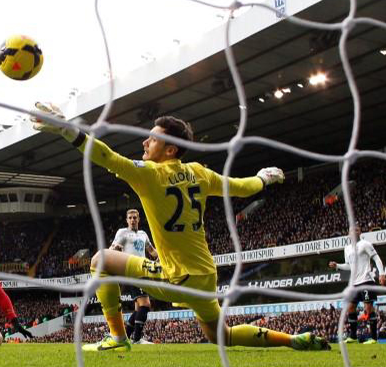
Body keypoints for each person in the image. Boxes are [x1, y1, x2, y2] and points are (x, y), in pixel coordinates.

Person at [32, 103, 330, 352]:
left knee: (101, 260)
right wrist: (264, 178)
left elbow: (107, 157)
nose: (145, 143)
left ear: (171, 149)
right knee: (221, 336)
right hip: (205, 277)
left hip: (177, 277)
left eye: (152, 139)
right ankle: (295, 340)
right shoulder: (199, 173)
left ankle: (118, 338)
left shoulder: (150, 174)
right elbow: (241, 188)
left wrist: (66, 130)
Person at [328, 225, 386, 344]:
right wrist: (337, 266)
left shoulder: (365, 244)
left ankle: (374, 338)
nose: (354, 231)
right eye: (352, 230)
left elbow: (376, 258)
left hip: (366, 280)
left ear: (360, 232)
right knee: (350, 307)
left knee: (368, 308)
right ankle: (353, 336)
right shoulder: (347, 248)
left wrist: (382, 273)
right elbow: (348, 265)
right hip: (354, 283)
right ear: (348, 234)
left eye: (357, 229)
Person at [110, 209, 157, 344]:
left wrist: (162, 257)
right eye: (130, 218)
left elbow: (151, 251)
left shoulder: (143, 234)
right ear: (127, 220)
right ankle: (136, 339)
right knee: (146, 304)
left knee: (138, 308)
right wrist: (116, 249)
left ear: (138, 219)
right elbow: (112, 248)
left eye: (134, 217)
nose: (132, 220)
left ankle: (124, 338)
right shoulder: (122, 232)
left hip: (143, 272)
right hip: (131, 272)